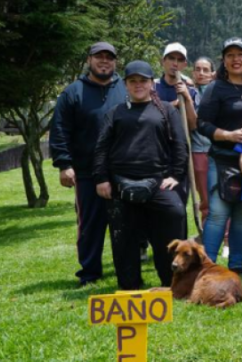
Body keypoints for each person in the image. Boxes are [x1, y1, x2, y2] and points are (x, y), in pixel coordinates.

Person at [93, 60, 188, 290]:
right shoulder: (114, 113)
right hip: (121, 184)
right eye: (133, 81)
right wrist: (101, 179)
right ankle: (129, 284)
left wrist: (175, 175)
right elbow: (101, 148)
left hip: (158, 182)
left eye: (143, 81)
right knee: (122, 237)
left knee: (175, 215)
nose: (138, 85)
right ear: (126, 84)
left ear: (151, 83)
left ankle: (172, 281)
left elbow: (180, 146)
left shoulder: (166, 110)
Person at [50, 42, 127, 286]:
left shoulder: (126, 88)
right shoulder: (73, 92)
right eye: (99, 57)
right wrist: (64, 164)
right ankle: (90, 273)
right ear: (89, 60)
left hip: (122, 170)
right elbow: (60, 129)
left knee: (125, 224)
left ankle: (126, 270)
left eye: (109, 57)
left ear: (115, 61)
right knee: (90, 226)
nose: (104, 61)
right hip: (86, 172)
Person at [196, 37, 242, 272]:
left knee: (241, 216)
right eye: (230, 55)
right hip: (222, 160)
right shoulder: (216, 88)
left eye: (240, 54)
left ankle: (237, 267)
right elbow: (202, 124)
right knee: (218, 214)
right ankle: (207, 266)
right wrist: (228, 135)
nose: (236, 59)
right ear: (223, 60)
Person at [154, 43, 198, 208]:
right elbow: (149, 115)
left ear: (185, 65)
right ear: (162, 61)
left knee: (178, 203)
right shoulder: (152, 86)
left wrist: (187, 99)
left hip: (179, 155)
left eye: (180, 60)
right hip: (155, 152)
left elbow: (193, 125)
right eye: (171, 58)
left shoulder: (191, 91)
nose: (175, 63)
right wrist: (173, 104)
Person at [191, 56, 216, 220]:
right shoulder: (188, 91)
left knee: (224, 194)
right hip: (198, 150)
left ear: (213, 73)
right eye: (198, 69)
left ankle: (228, 238)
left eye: (205, 70)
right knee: (205, 197)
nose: (201, 73)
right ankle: (206, 231)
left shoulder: (218, 91)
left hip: (217, 150)